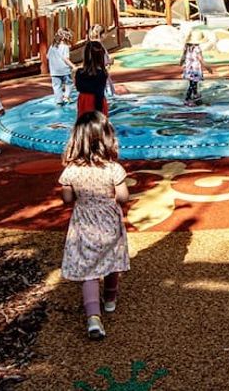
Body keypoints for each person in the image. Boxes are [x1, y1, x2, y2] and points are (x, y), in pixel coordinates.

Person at [59, 111, 130, 340]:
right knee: (111, 260)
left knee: (89, 268)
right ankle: (110, 299)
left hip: (84, 222)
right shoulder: (113, 169)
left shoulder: (71, 170)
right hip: (109, 221)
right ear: (106, 139)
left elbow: (67, 199)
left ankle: (93, 317)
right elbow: (123, 197)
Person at [75, 41, 110, 117]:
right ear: (101, 56)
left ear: (85, 56)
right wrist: (99, 114)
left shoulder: (79, 73)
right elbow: (99, 94)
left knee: (84, 125)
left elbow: (78, 88)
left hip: (83, 103)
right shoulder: (102, 74)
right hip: (96, 104)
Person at [180, 30, 213, 106]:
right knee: (193, 85)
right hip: (195, 69)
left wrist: (181, 62)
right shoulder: (197, 48)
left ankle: (195, 96)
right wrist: (208, 67)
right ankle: (187, 99)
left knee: (192, 83)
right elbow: (201, 59)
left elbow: (183, 56)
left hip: (188, 68)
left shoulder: (186, 47)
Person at [47, 28, 74, 105]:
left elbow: (48, 56)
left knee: (57, 87)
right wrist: (73, 66)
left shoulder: (52, 46)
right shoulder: (65, 47)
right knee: (69, 83)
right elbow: (65, 58)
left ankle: (59, 101)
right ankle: (66, 96)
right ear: (64, 37)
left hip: (54, 71)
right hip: (64, 70)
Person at [88, 24, 115, 97]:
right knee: (105, 91)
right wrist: (109, 62)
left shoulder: (91, 45)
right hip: (101, 72)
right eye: (105, 33)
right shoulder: (98, 46)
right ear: (101, 35)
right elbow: (99, 60)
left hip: (96, 72)